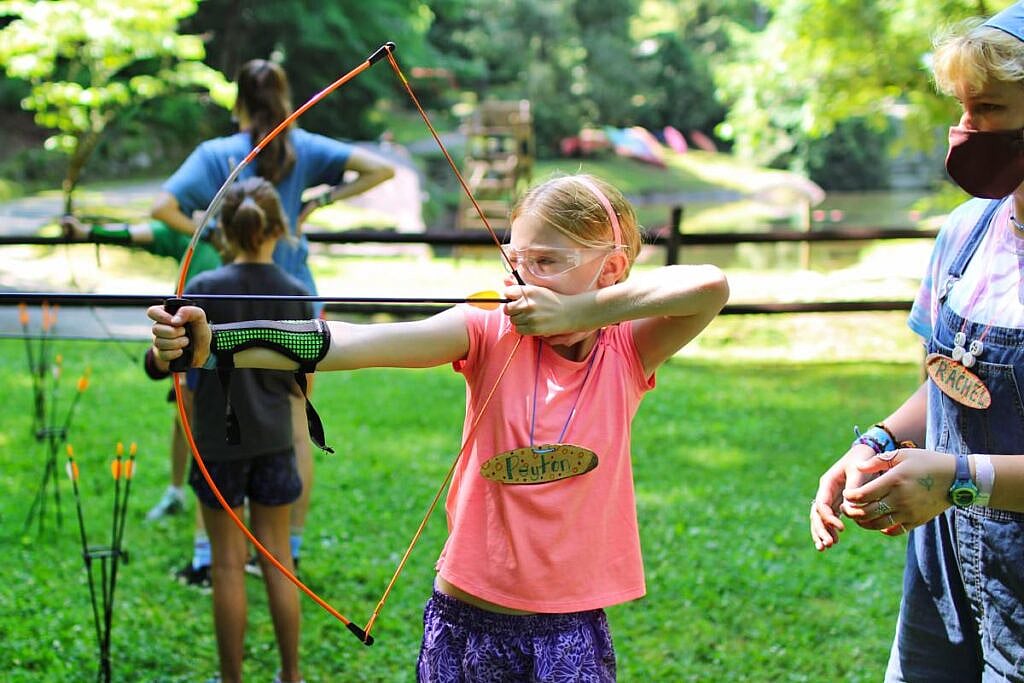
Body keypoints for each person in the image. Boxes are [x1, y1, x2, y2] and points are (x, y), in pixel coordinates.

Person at [149, 173, 729, 680]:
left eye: (547, 262)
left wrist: (581, 312)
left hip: (568, 628)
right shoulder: (488, 326)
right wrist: (215, 345)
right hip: (464, 616)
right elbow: (354, 343)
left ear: (612, 269)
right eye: (516, 259)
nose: (522, 278)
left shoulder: (629, 349)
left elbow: (710, 286)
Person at [810, 4, 1024, 680]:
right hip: (944, 581)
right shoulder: (966, 233)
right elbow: (949, 382)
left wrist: (957, 478)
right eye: (961, 106)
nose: (965, 131)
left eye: (988, 108)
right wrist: (876, 441)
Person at [151, 58, 396, 576]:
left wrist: (217, 236)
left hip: (225, 305)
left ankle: (208, 555)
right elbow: (382, 168)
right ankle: (287, 550)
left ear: (238, 99)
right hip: (294, 303)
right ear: (284, 97)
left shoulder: (217, 153)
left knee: (210, 424)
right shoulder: (303, 146)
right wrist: (321, 201)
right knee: (292, 420)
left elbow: (163, 207)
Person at [149, 176, 310, 683]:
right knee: (278, 559)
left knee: (225, 565)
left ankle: (232, 680)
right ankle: (291, 675)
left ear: (222, 233)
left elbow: (163, 367)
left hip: (217, 446)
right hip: (275, 443)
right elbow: (305, 387)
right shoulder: (295, 294)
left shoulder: (202, 290)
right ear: (278, 230)